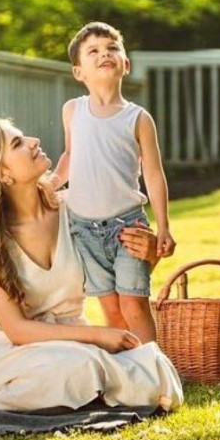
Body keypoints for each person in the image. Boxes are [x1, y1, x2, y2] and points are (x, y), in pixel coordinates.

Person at [0, 118, 183, 412]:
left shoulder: (78, 210)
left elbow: (119, 281)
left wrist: (148, 255)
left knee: (150, 365)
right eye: (17, 143)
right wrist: (98, 336)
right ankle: (105, 388)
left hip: (78, 346)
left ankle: (98, 389)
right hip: (24, 355)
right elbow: (16, 329)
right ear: (2, 174)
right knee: (82, 366)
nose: (34, 141)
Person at [50, 21, 176, 343]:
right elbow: (69, 156)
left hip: (127, 227)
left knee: (134, 304)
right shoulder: (72, 111)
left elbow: (153, 174)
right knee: (112, 309)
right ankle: (126, 373)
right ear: (79, 72)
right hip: (84, 229)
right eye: (93, 51)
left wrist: (163, 226)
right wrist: (52, 183)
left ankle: (153, 372)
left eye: (112, 49)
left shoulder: (138, 118)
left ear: (125, 64)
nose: (104, 54)